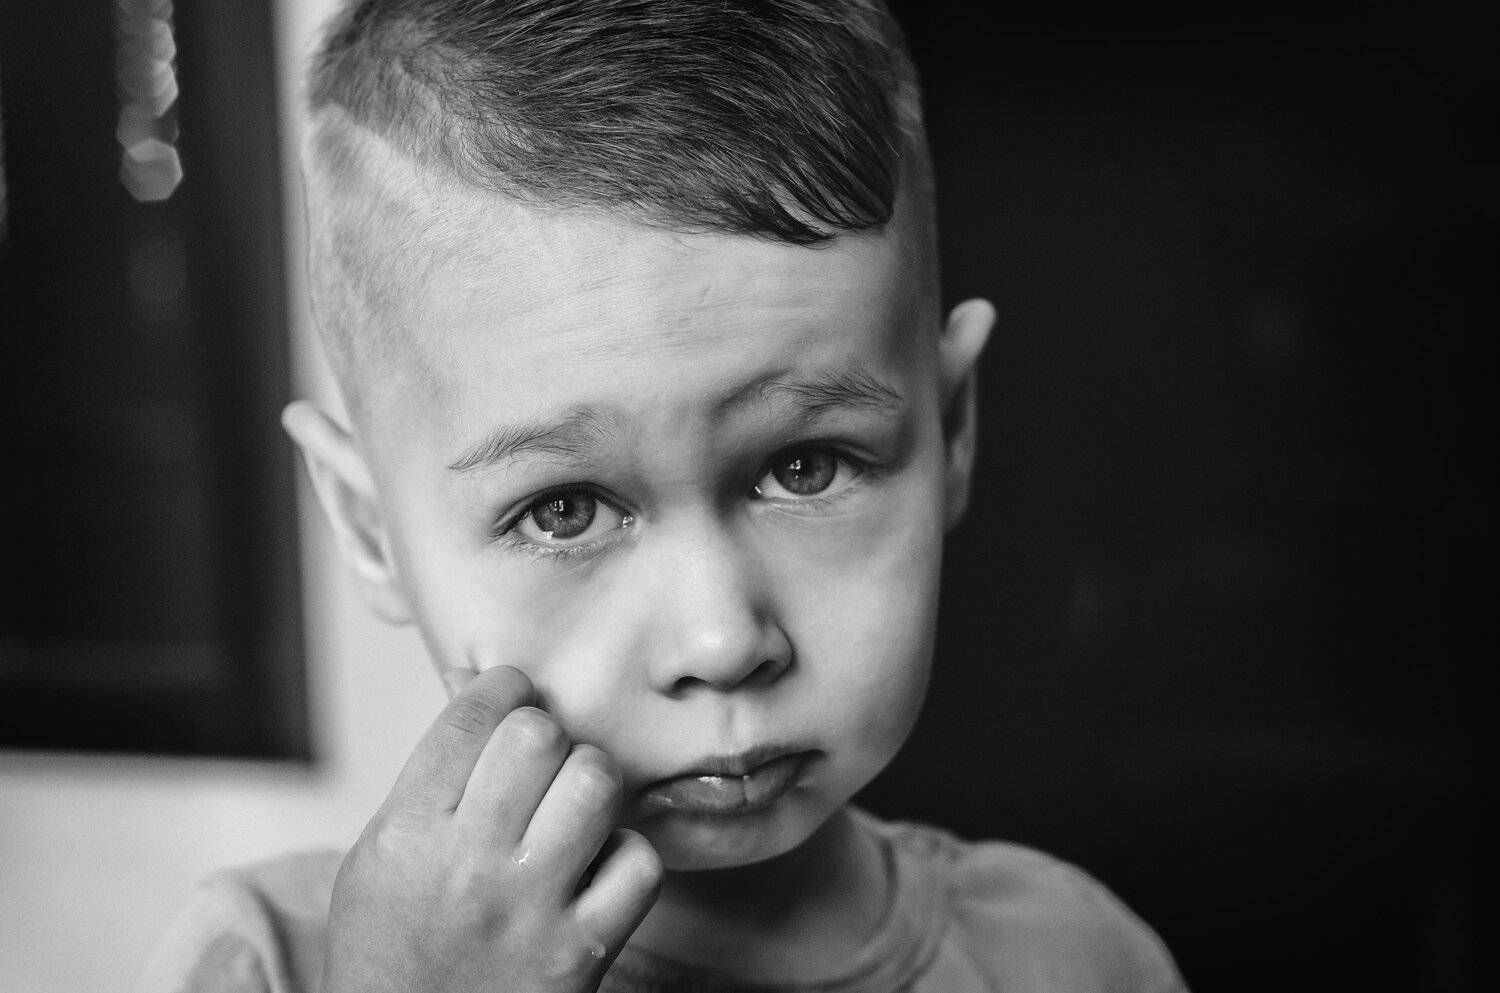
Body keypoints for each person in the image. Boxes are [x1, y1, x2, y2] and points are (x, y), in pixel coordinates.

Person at [138, 1, 1187, 990]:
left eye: (806, 466)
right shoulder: (274, 960)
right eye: (565, 510)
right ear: (371, 529)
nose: (722, 642)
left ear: (951, 428)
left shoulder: (1076, 959)